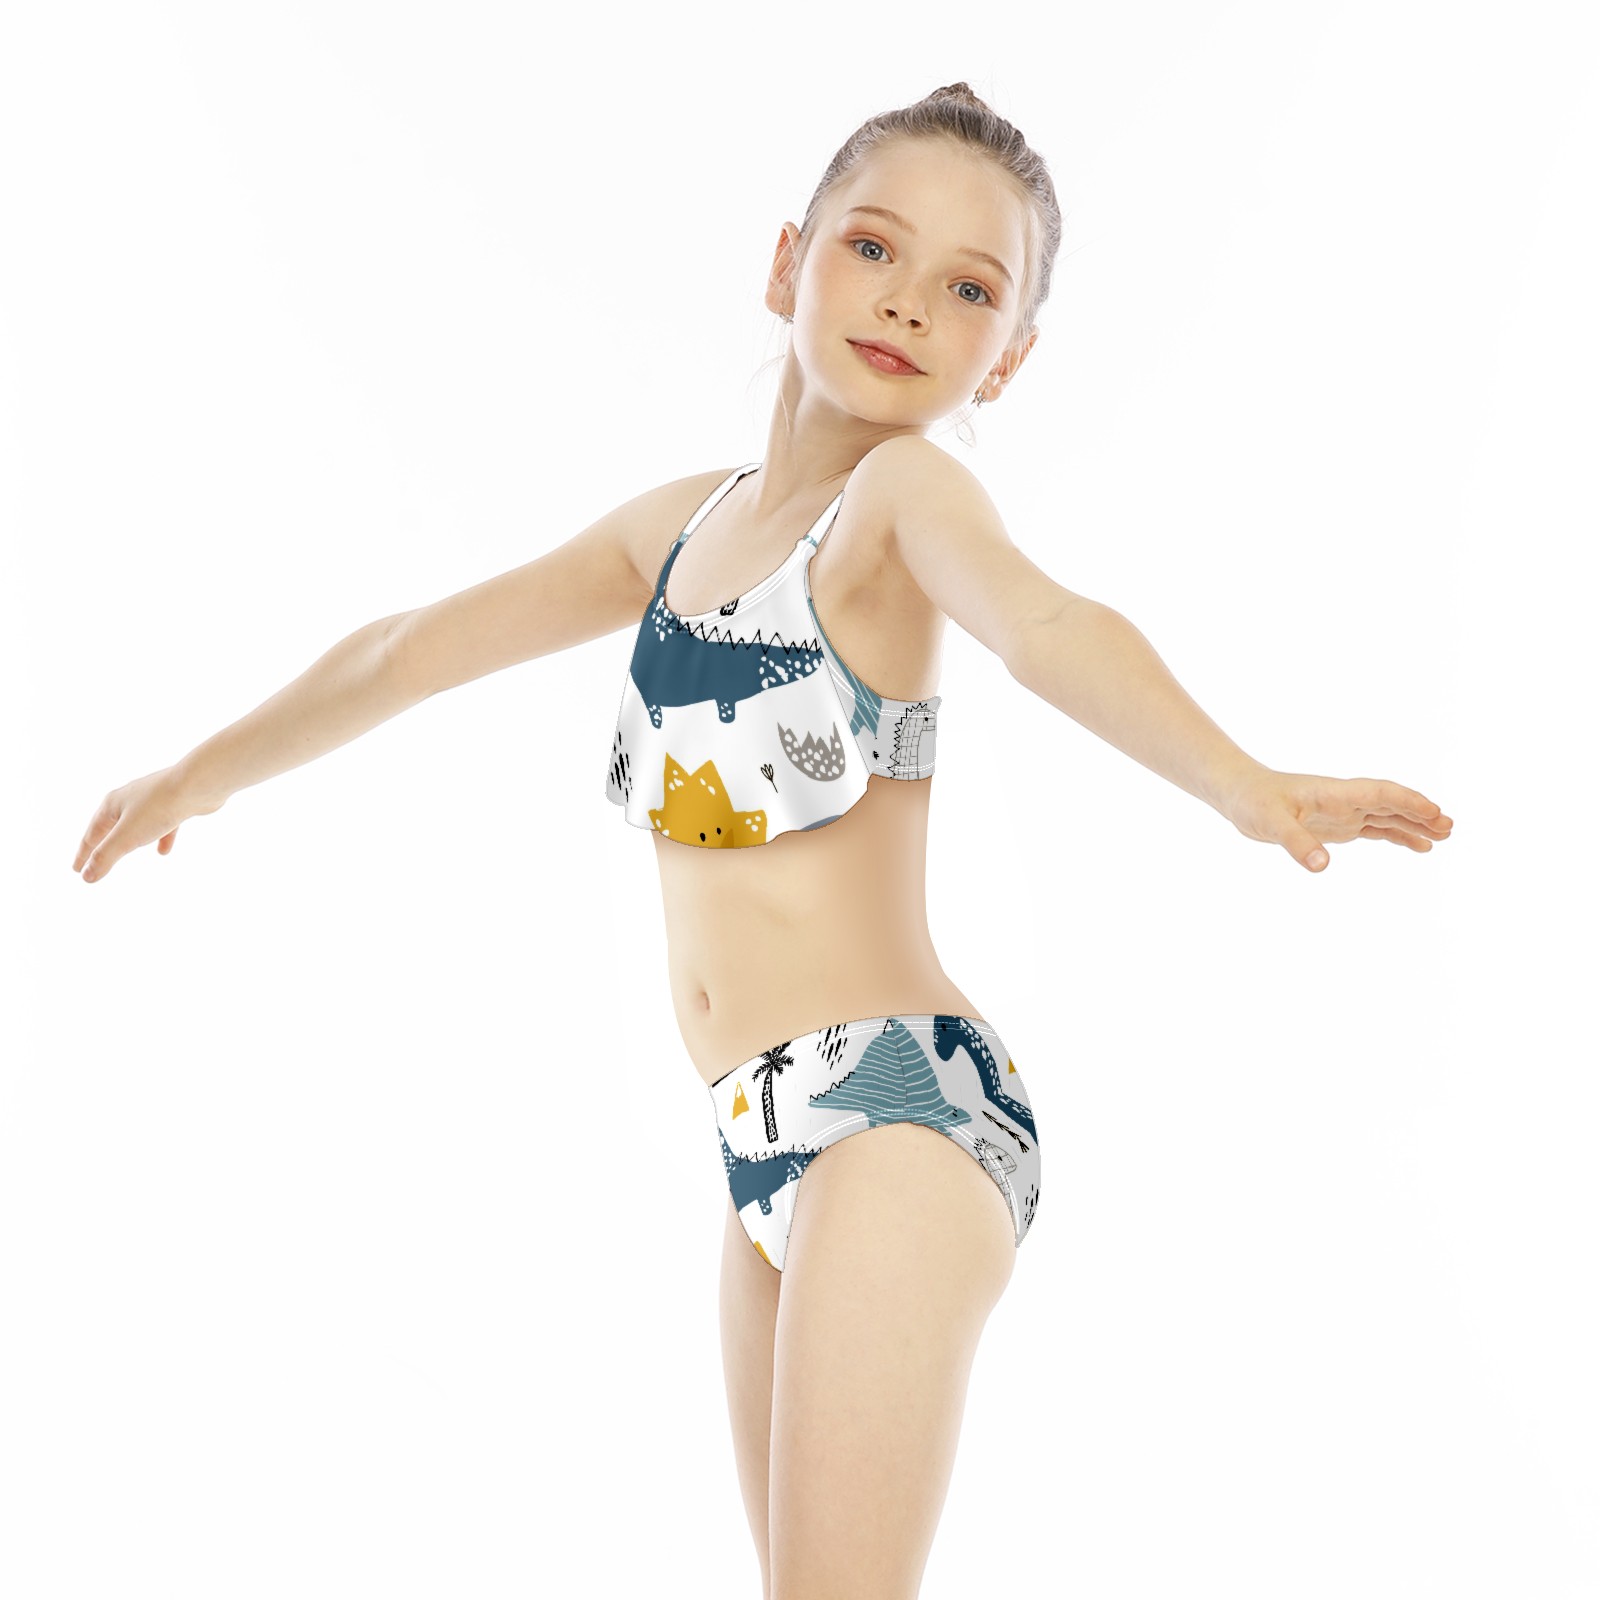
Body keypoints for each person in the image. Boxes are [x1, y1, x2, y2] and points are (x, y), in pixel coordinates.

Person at [72, 82, 1452, 1600]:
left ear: (1012, 355)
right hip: (758, 1136)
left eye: (971, 289)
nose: (910, 302)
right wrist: (198, 774)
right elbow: (407, 651)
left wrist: (1240, 783)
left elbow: (1045, 624)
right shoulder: (678, 532)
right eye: (874, 248)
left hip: (900, 1113)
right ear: (789, 261)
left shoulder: (901, 503)